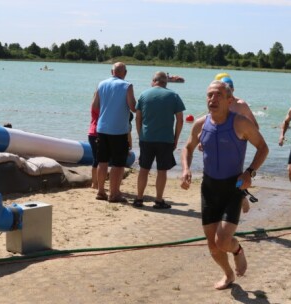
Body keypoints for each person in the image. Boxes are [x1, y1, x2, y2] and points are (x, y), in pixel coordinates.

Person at [181, 80, 268, 290]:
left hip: (233, 187)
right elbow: (187, 147)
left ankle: (237, 249)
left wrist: (249, 172)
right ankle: (228, 275)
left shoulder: (240, 123)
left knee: (223, 241)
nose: (213, 99)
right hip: (209, 188)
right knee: (213, 246)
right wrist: (186, 169)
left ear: (229, 100)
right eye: (210, 95)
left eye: (218, 95)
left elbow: (263, 148)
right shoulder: (201, 124)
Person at [134, 71, 185, 209]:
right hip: (166, 140)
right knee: (162, 171)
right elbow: (180, 120)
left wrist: (140, 135)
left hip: (146, 138)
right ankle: (158, 200)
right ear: (165, 82)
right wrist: (176, 139)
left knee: (144, 169)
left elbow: (137, 118)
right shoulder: (173, 96)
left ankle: (139, 199)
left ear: (154, 81)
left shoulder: (144, 95)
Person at [92, 62, 136, 202]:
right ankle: (114, 193)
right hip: (118, 130)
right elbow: (133, 107)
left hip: (102, 128)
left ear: (112, 72)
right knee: (118, 163)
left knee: (102, 161)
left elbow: (95, 105)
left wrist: (107, 110)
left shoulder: (101, 84)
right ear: (125, 73)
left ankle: (100, 191)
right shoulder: (127, 86)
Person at [219, 75, 259, 213]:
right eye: (223, 89)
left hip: (236, 145)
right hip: (219, 145)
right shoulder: (217, 102)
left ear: (233, 89)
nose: (226, 91)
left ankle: (241, 196)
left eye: (228, 88)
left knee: (234, 175)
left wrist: (244, 134)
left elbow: (255, 126)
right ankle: (240, 197)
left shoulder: (241, 105)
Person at [87, 95, 100, 189]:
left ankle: (94, 183)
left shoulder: (93, 105)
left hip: (92, 133)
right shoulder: (102, 107)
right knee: (99, 159)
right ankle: (95, 183)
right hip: (98, 133)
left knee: (96, 158)